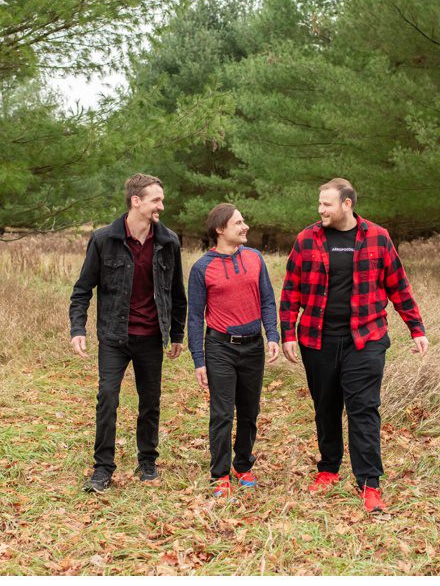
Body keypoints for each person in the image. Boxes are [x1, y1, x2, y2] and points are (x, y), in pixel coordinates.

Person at [278, 178, 429, 513]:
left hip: (366, 338)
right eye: (319, 204)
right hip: (318, 338)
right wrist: (288, 332)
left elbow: (398, 285)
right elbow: (291, 290)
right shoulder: (307, 239)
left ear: (347, 204)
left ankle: (369, 484)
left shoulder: (377, 237)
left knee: (363, 409)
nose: (320, 210)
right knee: (326, 405)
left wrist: (415, 328)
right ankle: (329, 469)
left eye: (327, 204)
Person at [69, 173, 186, 493]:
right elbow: (83, 289)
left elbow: (177, 293)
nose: (161, 205)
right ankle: (102, 468)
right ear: (136, 201)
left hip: (151, 336)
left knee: (150, 401)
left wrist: (176, 334)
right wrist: (77, 328)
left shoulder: (168, 241)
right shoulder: (104, 239)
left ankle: (147, 460)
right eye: (156, 200)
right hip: (114, 335)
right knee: (107, 398)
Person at [185, 203, 281, 498]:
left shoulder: (254, 258)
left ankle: (243, 464)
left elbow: (267, 299)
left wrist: (272, 335)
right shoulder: (202, 268)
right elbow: (196, 318)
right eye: (239, 223)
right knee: (223, 413)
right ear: (220, 229)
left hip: (253, 347)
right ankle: (220, 473)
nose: (245, 227)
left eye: (244, 221)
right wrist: (199, 359)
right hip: (220, 348)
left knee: (250, 411)